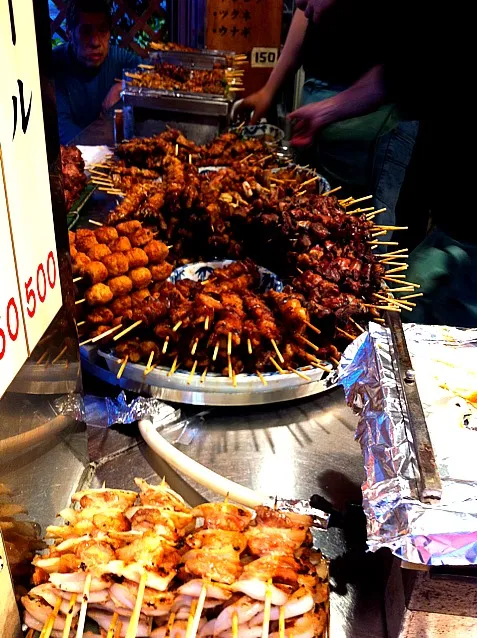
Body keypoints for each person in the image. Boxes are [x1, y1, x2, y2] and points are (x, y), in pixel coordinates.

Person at [238, 1, 418, 235]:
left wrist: (330, 109)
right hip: (320, 97)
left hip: (376, 120)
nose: (299, 3)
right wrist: (269, 90)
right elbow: (303, 12)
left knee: (364, 235)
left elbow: (402, 71)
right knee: (308, 225)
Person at [52, 0, 140, 143]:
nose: (95, 42)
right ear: (69, 33)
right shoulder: (55, 67)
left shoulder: (119, 59)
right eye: (86, 32)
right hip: (74, 156)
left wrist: (124, 86)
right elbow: (64, 133)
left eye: (102, 30)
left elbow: (155, 77)